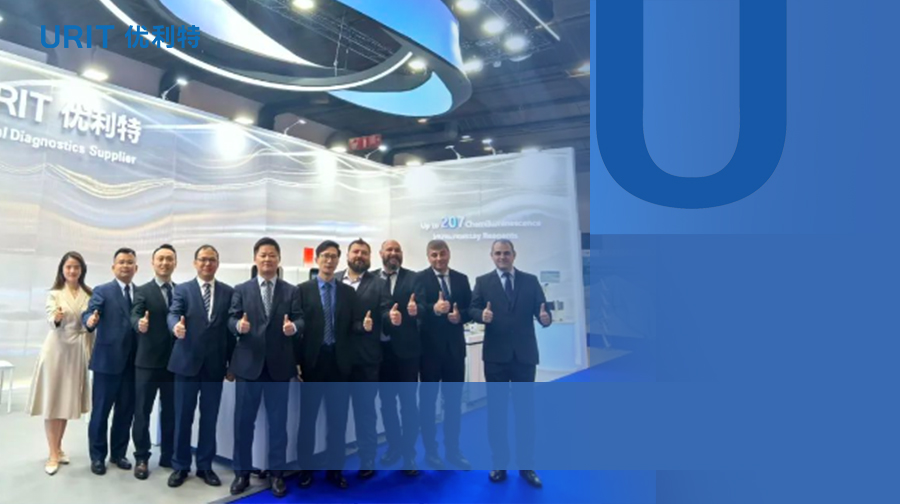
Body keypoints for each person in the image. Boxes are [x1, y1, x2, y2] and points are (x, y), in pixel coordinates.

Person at [469, 239, 552, 488]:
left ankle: (526, 466)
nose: (502, 257)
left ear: (514, 255)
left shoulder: (530, 281)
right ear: (491, 256)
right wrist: (480, 315)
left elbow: (543, 311)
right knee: (497, 413)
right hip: (496, 358)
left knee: (525, 413)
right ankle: (499, 464)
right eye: (498, 253)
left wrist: (546, 319)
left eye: (506, 253)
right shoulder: (483, 282)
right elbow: (472, 309)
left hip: (524, 357)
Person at [228, 237, 303, 498]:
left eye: (272, 255)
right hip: (248, 367)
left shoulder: (291, 291)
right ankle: (241, 474)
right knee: (243, 423)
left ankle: (277, 475)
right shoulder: (241, 289)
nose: (267, 259)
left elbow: (301, 319)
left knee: (278, 424)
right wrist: (238, 326)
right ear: (255, 258)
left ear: (279, 259)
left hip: (279, 367)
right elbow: (231, 318)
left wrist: (294, 328)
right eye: (263, 255)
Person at [166, 245, 235, 489]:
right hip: (186, 363)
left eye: (212, 260)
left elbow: (230, 332)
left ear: (217, 263)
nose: (207, 264)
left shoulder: (228, 292)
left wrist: (231, 363)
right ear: (195, 263)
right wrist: (175, 327)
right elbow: (173, 314)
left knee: (209, 418)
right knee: (182, 417)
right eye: (203, 259)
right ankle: (180, 466)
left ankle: (205, 466)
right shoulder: (182, 290)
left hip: (215, 366)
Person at [296, 240, 357, 490]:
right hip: (312, 363)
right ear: (317, 259)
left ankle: (335, 470)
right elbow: (297, 330)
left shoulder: (348, 293)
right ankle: (306, 470)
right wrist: (297, 362)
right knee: (307, 420)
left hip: (339, 364)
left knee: (338, 421)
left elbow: (352, 327)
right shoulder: (302, 290)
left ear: (338, 260)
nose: (329, 261)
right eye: (325, 256)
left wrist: (364, 326)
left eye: (333, 256)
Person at [27, 251, 94, 475]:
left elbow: (90, 322)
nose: (72, 270)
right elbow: (50, 317)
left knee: (65, 401)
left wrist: (92, 323)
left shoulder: (88, 293)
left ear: (82, 270)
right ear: (62, 270)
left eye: (76, 267)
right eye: (68, 267)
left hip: (76, 351)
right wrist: (55, 318)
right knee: (52, 400)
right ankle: (52, 453)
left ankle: (58, 447)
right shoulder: (55, 294)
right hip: (56, 349)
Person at [335, 239, 394, 479]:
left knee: (365, 413)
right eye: (356, 251)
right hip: (337, 360)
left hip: (366, 361)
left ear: (370, 257)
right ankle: (335, 463)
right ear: (347, 255)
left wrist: (391, 318)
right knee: (336, 415)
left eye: (364, 253)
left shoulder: (379, 284)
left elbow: (385, 311)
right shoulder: (334, 280)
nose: (359, 256)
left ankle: (367, 458)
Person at [414, 239, 472, 470]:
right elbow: (417, 309)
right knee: (428, 404)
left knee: (454, 403)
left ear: (449, 253)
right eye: (434, 255)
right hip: (428, 352)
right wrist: (434, 309)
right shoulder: (419, 279)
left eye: (442, 254)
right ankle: (431, 451)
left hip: (455, 352)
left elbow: (470, 309)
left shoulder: (461, 279)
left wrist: (461, 317)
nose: (439, 259)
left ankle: (453, 450)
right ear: (428, 257)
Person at [83, 248, 139, 476]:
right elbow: (89, 313)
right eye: (121, 262)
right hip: (107, 362)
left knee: (125, 412)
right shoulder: (102, 290)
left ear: (136, 268)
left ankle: (118, 454)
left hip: (133, 364)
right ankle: (97, 457)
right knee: (101, 412)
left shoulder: (141, 293)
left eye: (130, 262)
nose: (125, 266)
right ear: (113, 267)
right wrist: (90, 320)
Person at [129, 244, 178, 480]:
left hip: (174, 364)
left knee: (171, 412)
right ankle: (141, 458)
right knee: (142, 412)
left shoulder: (181, 291)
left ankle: (168, 455)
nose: (164, 263)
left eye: (169, 259)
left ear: (175, 263)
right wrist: (139, 324)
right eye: (160, 259)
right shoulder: (142, 291)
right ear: (153, 263)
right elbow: (135, 314)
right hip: (147, 362)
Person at [376, 239, 423, 475]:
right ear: (381, 253)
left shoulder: (414, 278)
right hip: (381, 353)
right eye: (389, 250)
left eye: (397, 250)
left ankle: (409, 453)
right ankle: (393, 446)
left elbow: (423, 307)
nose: (393, 253)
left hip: (407, 353)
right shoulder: (371, 279)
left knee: (408, 404)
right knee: (387, 404)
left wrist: (416, 311)